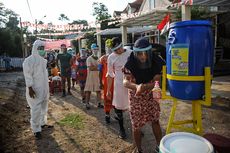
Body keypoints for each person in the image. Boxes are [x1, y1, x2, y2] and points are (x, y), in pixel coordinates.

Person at [123, 38, 165, 152]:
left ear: (150, 52)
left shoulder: (156, 61)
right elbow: (125, 82)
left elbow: (157, 82)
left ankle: (159, 147)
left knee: (155, 120)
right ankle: (139, 149)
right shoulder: (130, 62)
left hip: (152, 93)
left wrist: (145, 87)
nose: (142, 56)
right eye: (139, 54)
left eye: (145, 53)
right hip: (136, 95)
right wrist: (136, 87)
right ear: (135, 53)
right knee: (136, 125)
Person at [23, 40, 53, 140]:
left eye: (43, 48)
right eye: (40, 48)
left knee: (44, 107)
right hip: (35, 89)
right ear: (35, 48)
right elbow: (28, 75)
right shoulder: (29, 61)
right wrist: (30, 88)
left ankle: (42, 123)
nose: (42, 50)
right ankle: (36, 129)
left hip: (44, 88)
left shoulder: (43, 61)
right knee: (36, 109)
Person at [106, 37, 131, 139]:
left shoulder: (130, 53)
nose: (118, 51)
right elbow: (110, 74)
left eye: (119, 48)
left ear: (122, 45)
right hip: (119, 84)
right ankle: (122, 129)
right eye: (115, 50)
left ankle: (136, 127)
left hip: (131, 82)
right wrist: (108, 90)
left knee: (133, 104)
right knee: (118, 106)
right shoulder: (111, 57)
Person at [98, 39, 113, 124]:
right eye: (108, 47)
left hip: (116, 82)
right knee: (107, 98)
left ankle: (118, 114)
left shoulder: (117, 57)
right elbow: (100, 71)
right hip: (106, 82)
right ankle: (107, 114)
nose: (109, 49)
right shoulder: (102, 59)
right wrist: (100, 82)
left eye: (110, 47)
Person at [84, 44, 103, 109]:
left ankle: (99, 103)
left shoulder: (99, 58)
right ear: (91, 50)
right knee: (88, 91)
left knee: (98, 90)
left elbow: (99, 68)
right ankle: (87, 103)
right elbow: (90, 68)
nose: (96, 51)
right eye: (94, 49)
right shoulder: (89, 58)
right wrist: (98, 67)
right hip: (90, 76)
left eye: (97, 49)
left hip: (97, 76)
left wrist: (97, 67)